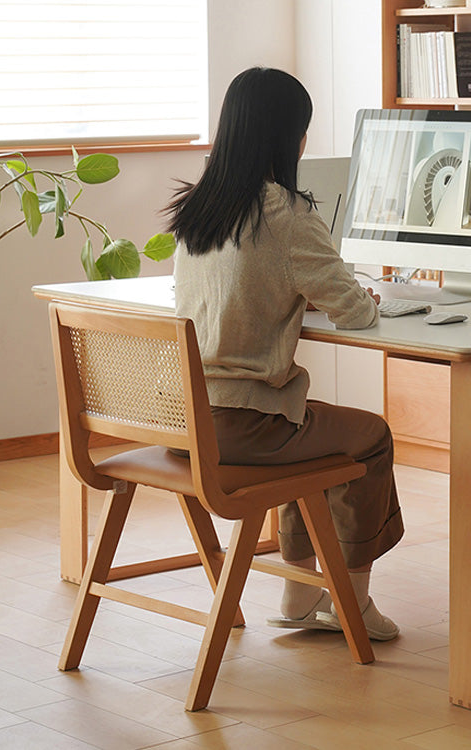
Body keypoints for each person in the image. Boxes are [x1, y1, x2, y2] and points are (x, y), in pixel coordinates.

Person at [164, 67, 403, 640]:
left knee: (304, 424)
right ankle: (353, 600)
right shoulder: (286, 216)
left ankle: (300, 595)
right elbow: (359, 313)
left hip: (182, 420)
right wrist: (346, 294)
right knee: (368, 436)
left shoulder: (198, 207)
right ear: (289, 137)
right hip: (241, 425)